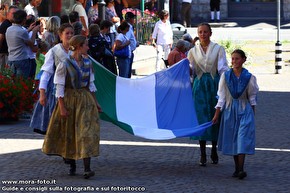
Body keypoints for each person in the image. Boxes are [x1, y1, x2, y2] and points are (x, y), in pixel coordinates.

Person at [42, 35, 101, 179]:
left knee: (86, 132)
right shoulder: (65, 64)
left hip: (84, 100)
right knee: (70, 132)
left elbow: (90, 85)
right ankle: (72, 163)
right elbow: (59, 87)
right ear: (79, 46)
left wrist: (96, 102)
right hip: (68, 99)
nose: (88, 47)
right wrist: (61, 107)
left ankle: (87, 168)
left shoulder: (88, 63)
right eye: (86, 45)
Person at [212, 49, 259, 179]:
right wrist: (216, 114)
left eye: (237, 58)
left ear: (244, 60)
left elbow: (252, 98)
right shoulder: (225, 76)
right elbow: (221, 97)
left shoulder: (249, 77)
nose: (234, 61)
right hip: (229, 109)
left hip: (244, 110)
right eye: (232, 59)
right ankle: (237, 168)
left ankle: (241, 169)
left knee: (242, 138)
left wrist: (252, 114)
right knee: (233, 139)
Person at [187, 23, 228, 166]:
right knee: (201, 118)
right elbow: (191, 69)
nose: (203, 34)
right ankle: (202, 153)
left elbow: (223, 69)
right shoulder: (192, 51)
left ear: (210, 33)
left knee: (214, 117)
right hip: (199, 86)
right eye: (200, 32)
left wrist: (226, 86)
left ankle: (214, 149)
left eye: (205, 32)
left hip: (213, 84)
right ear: (197, 34)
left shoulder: (218, 49)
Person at [30, 23, 74, 134]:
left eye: (72, 33)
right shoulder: (54, 51)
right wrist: (42, 93)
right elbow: (45, 74)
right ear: (60, 35)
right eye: (67, 33)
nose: (69, 35)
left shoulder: (75, 51)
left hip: (71, 89)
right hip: (55, 89)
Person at [6, 9, 40, 79]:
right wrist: (34, 32)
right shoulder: (22, 31)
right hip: (21, 60)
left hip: (11, 59)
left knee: (12, 83)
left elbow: (18, 36)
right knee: (21, 83)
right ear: (24, 20)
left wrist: (29, 30)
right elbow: (31, 44)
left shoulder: (9, 29)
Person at [0, 5, 18, 72]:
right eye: (13, 13)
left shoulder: (11, 23)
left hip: (10, 54)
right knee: (4, 73)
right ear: (8, 13)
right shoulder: (5, 24)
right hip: (4, 54)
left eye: (17, 14)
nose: (15, 15)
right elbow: (1, 38)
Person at [125, 12, 137, 78]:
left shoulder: (129, 27)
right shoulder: (128, 27)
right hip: (128, 52)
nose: (134, 20)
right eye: (133, 18)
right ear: (130, 19)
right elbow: (127, 39)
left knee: (128, 71)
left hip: (129, 52)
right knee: (127, 72)